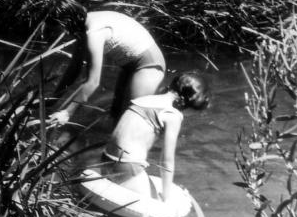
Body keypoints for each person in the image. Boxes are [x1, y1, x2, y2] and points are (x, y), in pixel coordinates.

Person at [89, 72, 210, 202]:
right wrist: (166, 197)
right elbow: (167, 161)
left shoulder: (145, 99)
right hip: (128, 166)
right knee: (158, 206)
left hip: (106, 160)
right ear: (190, 104)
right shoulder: (172, 114)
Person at [47, 0, 166, 126]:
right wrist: (52, 100)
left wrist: (67, 113)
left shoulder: (94, 32)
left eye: (57, 28)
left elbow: (93, 82)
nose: (59, 33)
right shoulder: (85, 25)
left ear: (67, 22)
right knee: (116, 114)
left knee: (134, 117)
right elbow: (74, 69)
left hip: (149, 65)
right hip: (129, 65)